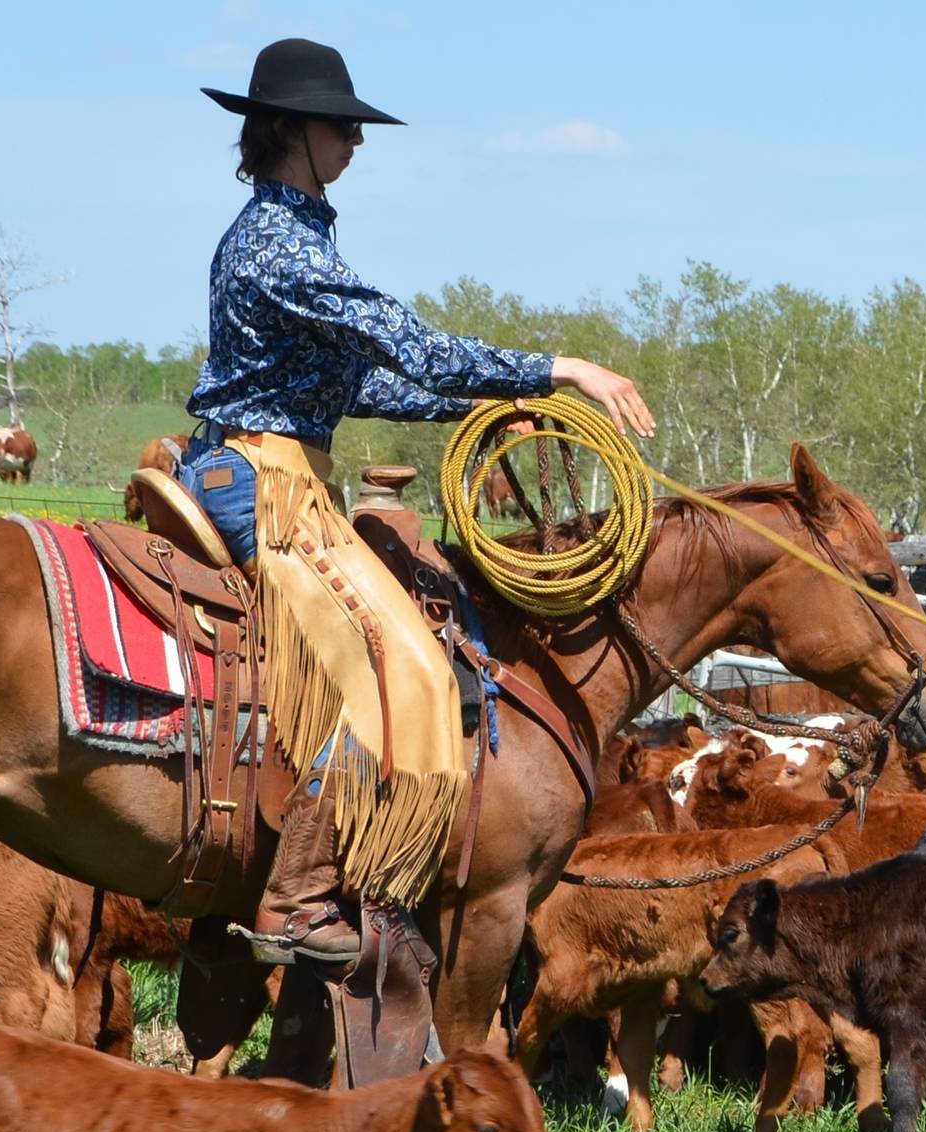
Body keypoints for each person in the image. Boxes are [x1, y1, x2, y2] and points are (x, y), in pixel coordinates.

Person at [189, 38, 655, 965]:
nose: (357, 145)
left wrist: (504, 402)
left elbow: (357, 387)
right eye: (342, 127)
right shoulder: (280, 245)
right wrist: (557, 369)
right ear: (291, 129)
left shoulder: (290, 238)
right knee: (394, 659)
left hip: (280, 466)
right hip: (264, 483)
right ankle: (300, 897)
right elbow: (413, 348)